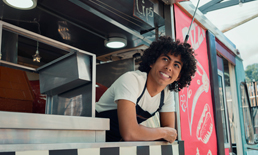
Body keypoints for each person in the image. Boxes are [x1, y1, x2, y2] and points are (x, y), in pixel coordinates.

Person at [96, 36, 196, 142]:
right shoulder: (132, 80)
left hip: (115, 143)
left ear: (179, 76)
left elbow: (170, 135)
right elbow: (130, 134)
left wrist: (160, 132)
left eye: (176, 65)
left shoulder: (166, 95)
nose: (169, 67)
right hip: (91, 137)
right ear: (152, 62)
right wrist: (163, 132)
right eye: (165, 59)